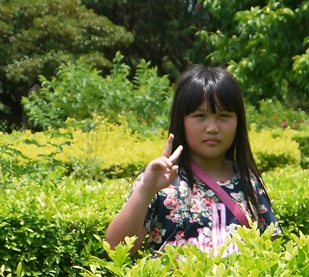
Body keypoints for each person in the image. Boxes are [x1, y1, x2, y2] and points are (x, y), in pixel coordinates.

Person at [106, 65, 280, 257]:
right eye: (200, 116)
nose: (212, 127)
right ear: (181, 120)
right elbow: (116, 250)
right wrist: (145, 189)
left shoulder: (249, 181)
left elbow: (271, 251)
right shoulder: (159, 181)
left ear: (238, 122)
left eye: (224, 116)